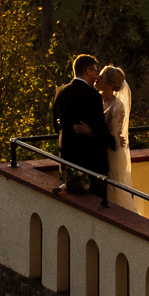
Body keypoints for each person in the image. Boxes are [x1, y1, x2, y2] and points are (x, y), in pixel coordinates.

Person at [49, 54, 113, 196]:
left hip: (66, 160)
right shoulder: (93, 96)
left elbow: (57, 127)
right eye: (96, 72)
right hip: (88, 163)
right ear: (89, 71)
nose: (96, 76)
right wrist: (112, 141)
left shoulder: (59, 91)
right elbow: (100, 128)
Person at [97, 65, 132, 207]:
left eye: (101, 77)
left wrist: (116, 139)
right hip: (101, 151)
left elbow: (113, 134)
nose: (96, 79)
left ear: (109, 84)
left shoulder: (117, 106)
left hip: (112, 155)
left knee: (112, 193)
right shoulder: (98, 100)